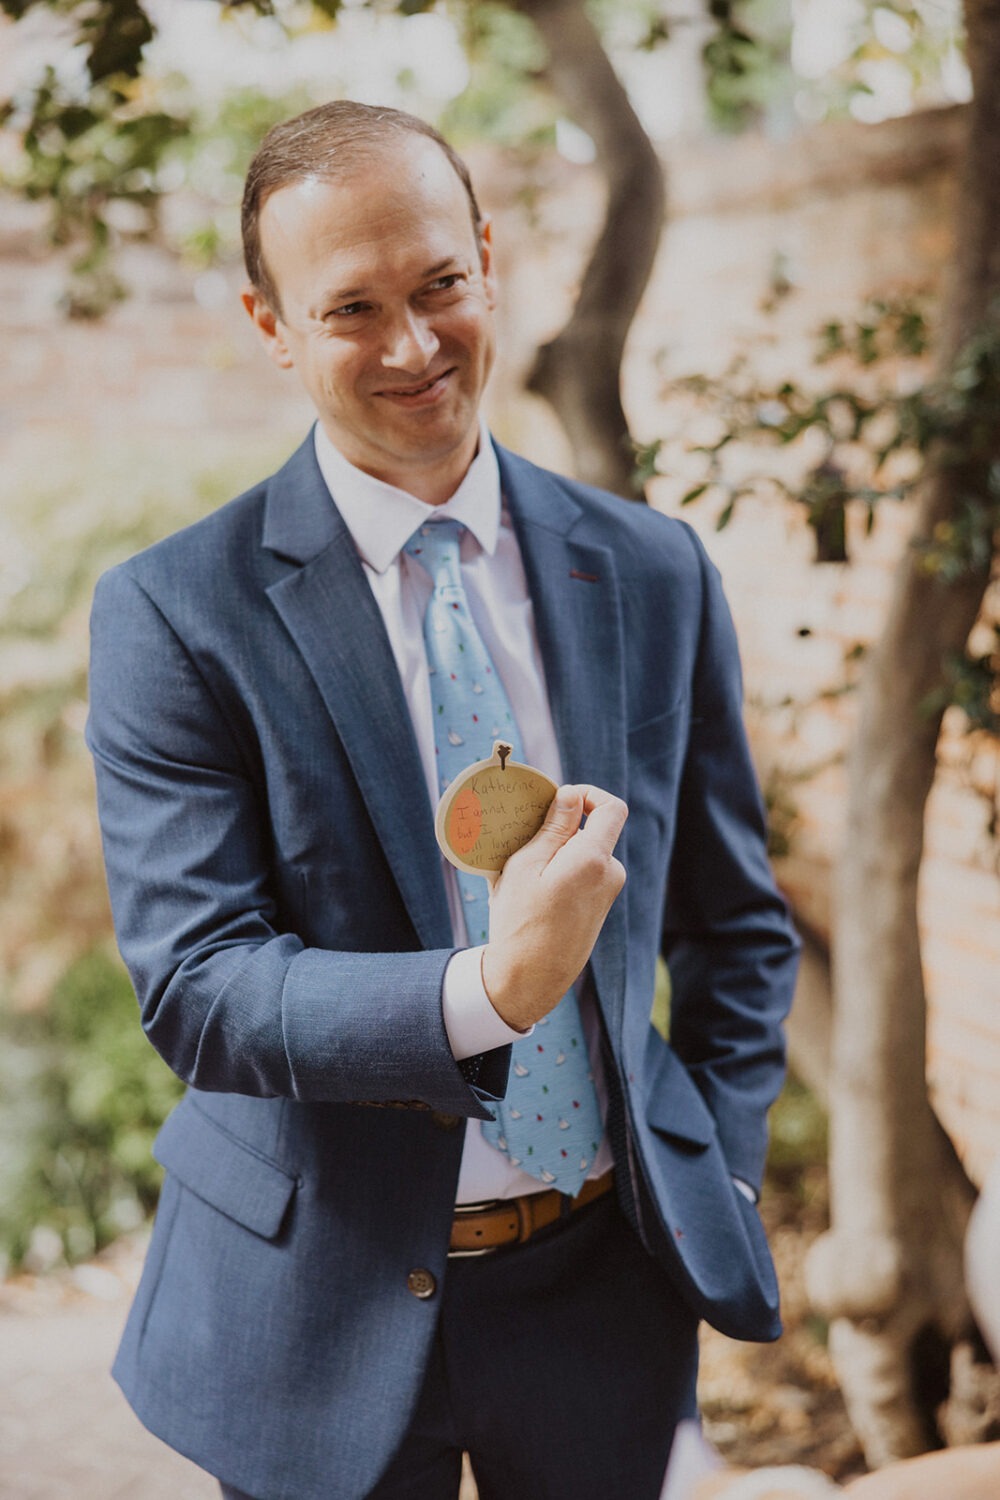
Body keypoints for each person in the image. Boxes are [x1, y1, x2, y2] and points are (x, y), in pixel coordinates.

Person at [86, 101, 800, 1500]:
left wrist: (720, 1168)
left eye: (438, 286)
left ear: (487, 257)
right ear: (271, 324)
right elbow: (201, 987)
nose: (413, 346)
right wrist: (489, 991)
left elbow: (739, 924)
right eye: (351, 308)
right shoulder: (175, 613)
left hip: (602, 1284)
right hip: (317, 1304)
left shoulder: (654, 570)